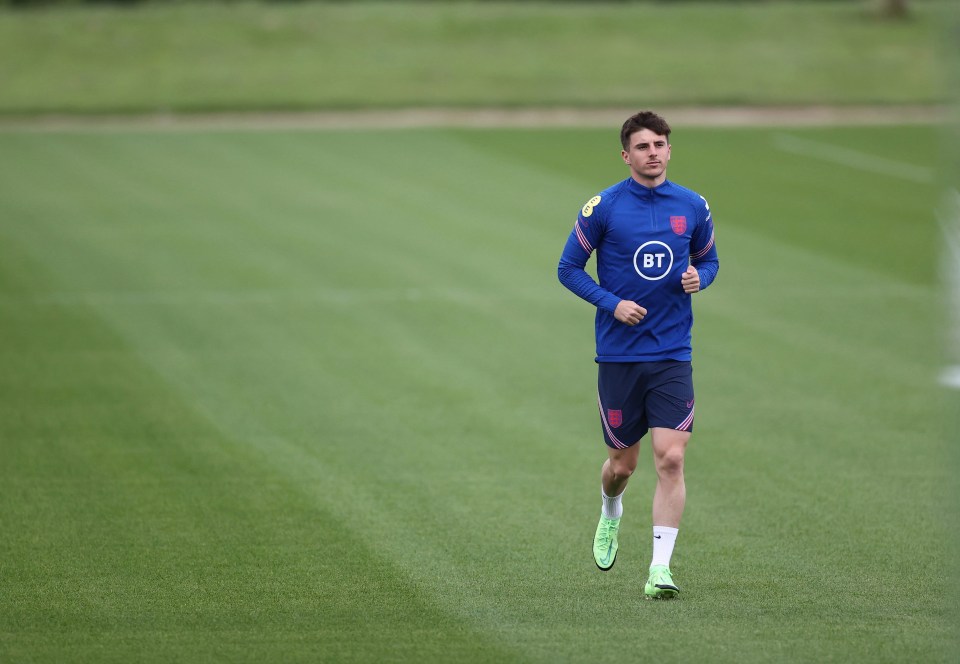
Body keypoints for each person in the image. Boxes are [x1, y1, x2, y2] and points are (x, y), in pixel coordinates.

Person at [557, 111, 719, 599]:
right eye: (644, 146)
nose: (654, 152)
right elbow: (568, 269)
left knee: (671, 458)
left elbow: (708, 259)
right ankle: (610, 510)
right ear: (626, 154)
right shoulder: (602, 207)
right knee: (622, 465)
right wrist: (613, 303)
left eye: (661, 144)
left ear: (670, 150)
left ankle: (660, 570)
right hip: (619, 356)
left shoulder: (692, 206)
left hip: (672, 352)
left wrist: (701, 278)